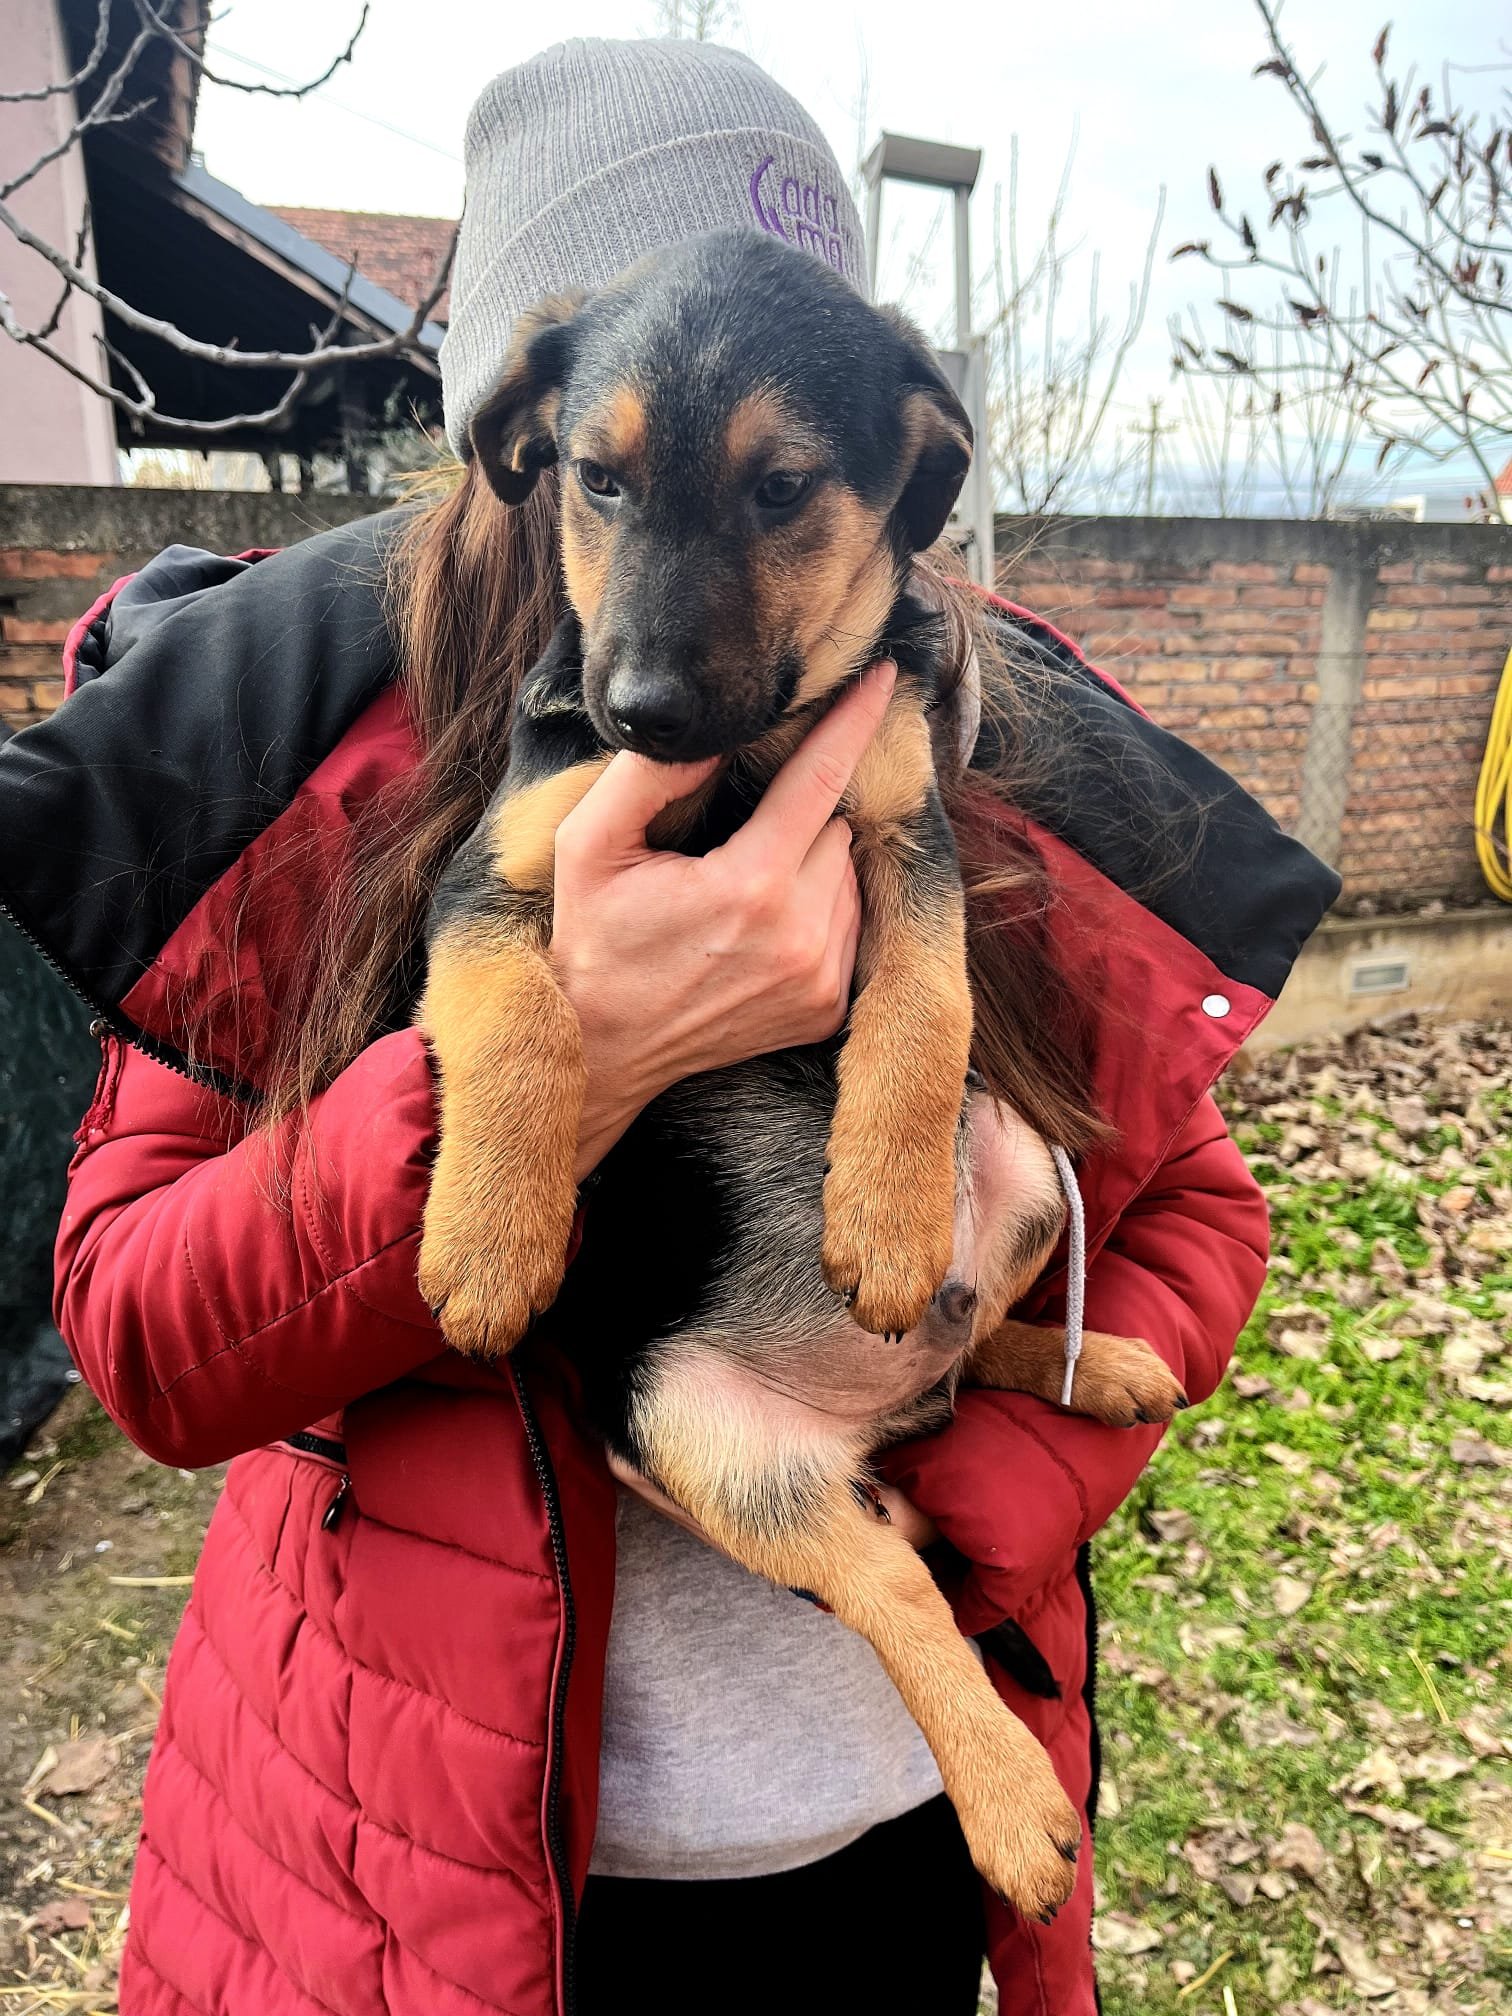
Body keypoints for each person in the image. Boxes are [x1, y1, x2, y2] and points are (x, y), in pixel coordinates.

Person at [0, 37, 1336, 2016]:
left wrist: (986, 1489)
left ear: (904, 471)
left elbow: (1205, 1225)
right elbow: (135, 1331)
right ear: (523, 441)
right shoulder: (284, 794)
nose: (669, 620)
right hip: (459, 1872)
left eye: (784, 489)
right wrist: (571, 1058)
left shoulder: (1005, 758)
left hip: (894, 1825)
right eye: (613, 484)